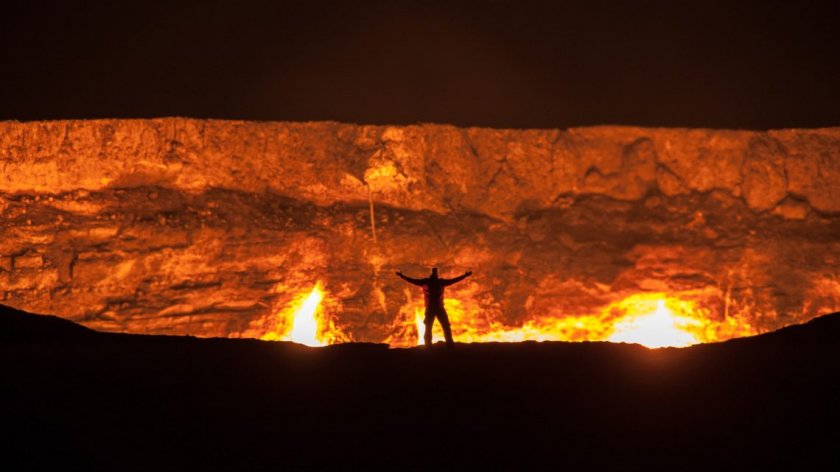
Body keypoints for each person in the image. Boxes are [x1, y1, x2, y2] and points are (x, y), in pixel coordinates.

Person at [396, 267, 472, 347]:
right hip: (438, 308)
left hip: (431, 308)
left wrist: (402, 276)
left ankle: (429, 345)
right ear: (436, 274)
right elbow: (453, 281)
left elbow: (413, 281)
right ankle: (448, 343)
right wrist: (464, 276)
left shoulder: (426, 282)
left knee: (431, 327)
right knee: (444, 326)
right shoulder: (440, 282)